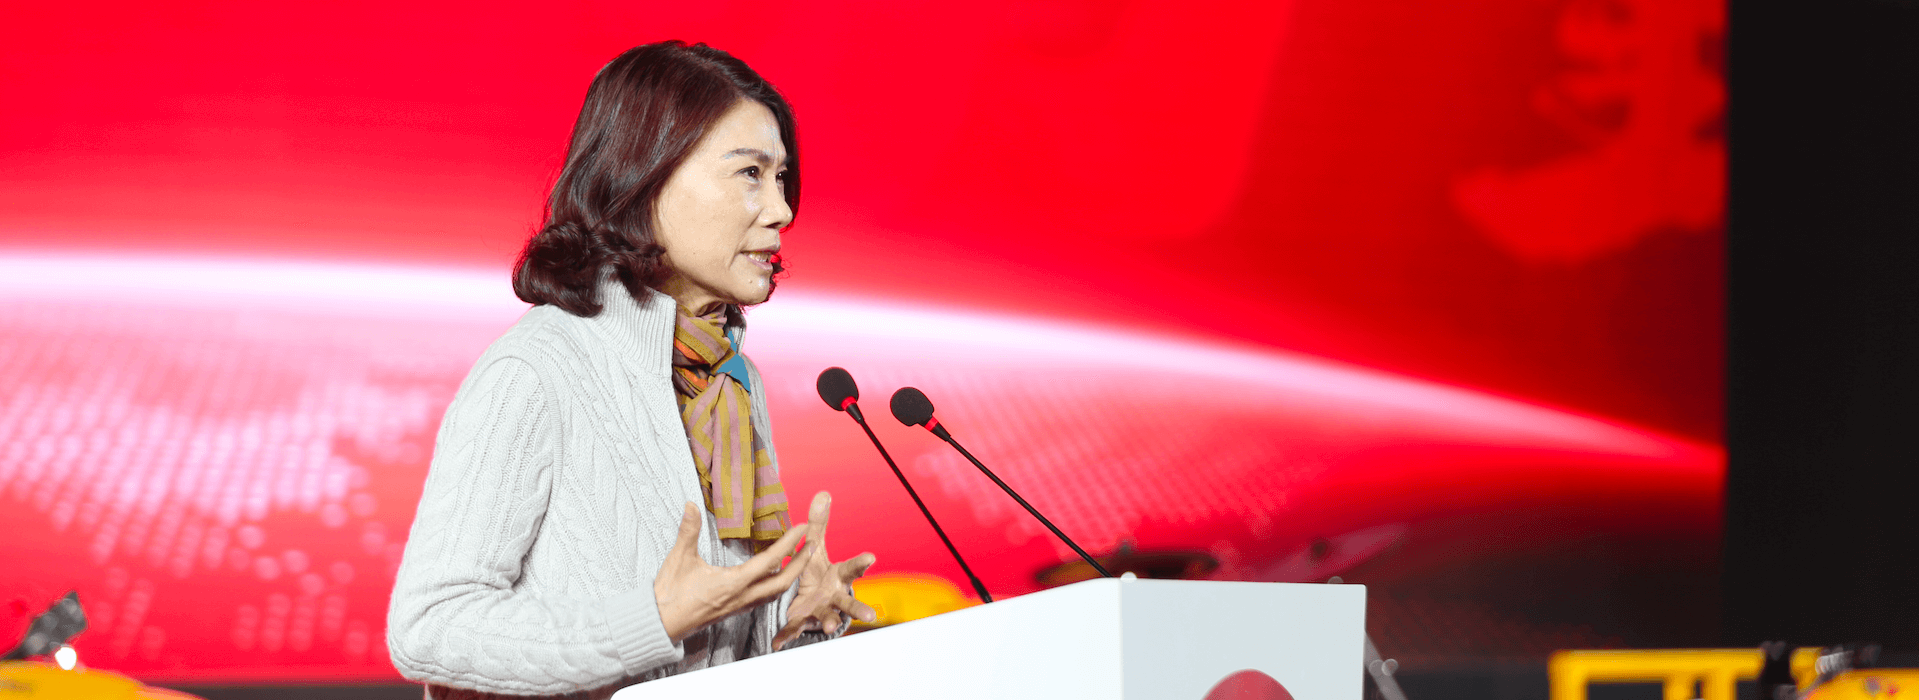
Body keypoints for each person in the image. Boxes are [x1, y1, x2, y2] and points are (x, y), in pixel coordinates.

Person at [387, 41, 876, 699]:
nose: (781, 210)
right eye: (749, 173)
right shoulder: (536, 370)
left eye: (781, 176)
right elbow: (428, 625)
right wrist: (651, 621)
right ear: (645, 180)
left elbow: (705, 633)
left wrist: (789, 624)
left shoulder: (730, 377)